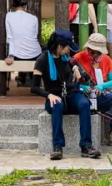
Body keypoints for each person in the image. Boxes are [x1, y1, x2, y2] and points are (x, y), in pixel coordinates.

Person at [31, 29, 99, 160]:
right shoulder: (42, 60)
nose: (69, 50)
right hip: (55, 97)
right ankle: (57, 146)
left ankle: (86, 145)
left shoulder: (67, 59)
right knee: (57, 105)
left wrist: (77, 70)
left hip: (72, 94)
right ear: (59, 46)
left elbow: (86, 78)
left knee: (84, 104)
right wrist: (48, 95)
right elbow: (34, 87)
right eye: (67, 47)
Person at [4, 0, 41, 87]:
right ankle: (35, 85)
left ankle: (22, 76)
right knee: (39, 51)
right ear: (25, 6)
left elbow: (10, 37)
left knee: (20, 50)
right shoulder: (34, 18)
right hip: (35, 54)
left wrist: (10, 55)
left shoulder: (8, 16)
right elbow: (35, 34)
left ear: (14, 6)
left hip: (17, 55)